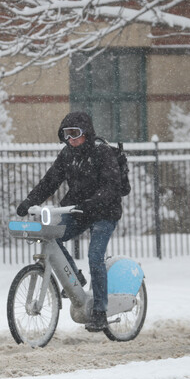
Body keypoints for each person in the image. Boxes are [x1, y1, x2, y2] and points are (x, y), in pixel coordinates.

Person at [16, 111, 122, 332]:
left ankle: (100, 312)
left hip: (104, 213)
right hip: (79, 211)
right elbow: (49, 182)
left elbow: (111, 187)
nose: (71, 139)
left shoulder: (102, 153)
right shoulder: (67, 155)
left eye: (76, 134)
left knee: (95, 256)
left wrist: (92, 203)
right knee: (53, 237)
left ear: (87, 133)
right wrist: (29, 201)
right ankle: (76, 278)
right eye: (67, 135)